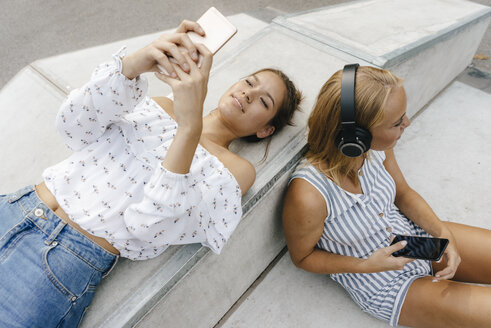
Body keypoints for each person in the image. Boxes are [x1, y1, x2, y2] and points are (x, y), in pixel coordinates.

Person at [0, 20, 302, 327]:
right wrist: (132, 65)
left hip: (63, 259)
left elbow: (148, 225)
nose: (249, 94)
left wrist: (189, 129)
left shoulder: (234, 170)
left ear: (265, 129)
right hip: (16, 206)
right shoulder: (159, 104)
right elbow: (75, 129)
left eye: (264, 101)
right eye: (250, 83)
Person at [282, 64, 491, 327]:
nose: (407, 123)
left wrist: (440, 231)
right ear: (355, 135)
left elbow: (402, 193)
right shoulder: (309, 195)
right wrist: (364, 266)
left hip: (414, 238)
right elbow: (303, 257)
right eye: (396, 122)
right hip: (384, 281)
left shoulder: (373, 148)